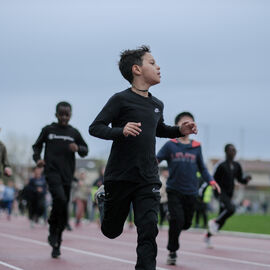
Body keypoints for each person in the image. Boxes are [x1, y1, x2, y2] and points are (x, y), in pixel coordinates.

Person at [89, 45, 197, 270]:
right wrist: (121, 130)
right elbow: (95, 128)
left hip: (147, 177)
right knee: (111, 231)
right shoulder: (120, 100)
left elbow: (158, 129)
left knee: (148, 230)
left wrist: (180, 130)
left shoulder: (157, 104)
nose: (158, 66)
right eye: (152, 62)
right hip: (120, 176)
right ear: (137, 69)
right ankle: (104, 200)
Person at [157, 111, 220, 265]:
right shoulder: (170, 145)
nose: (188, 125)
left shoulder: (197, 147)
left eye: (191, 122)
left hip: (191, 191)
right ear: (177, 125)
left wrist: (212, 181)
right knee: (176, 220)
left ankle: (171, 217)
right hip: (174, 190)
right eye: (184, 122)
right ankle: (172, 251)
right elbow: (155, 160)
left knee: (186, 224)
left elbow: (203, 168)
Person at [32, 101, 88, 258]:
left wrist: (78, 148)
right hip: (51, 172)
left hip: (67, 175)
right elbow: (36, 147)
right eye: (61, 114)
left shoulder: (73, 132)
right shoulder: (48, 130)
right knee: (61, 199)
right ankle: (52, 228)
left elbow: (85, 149)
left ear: (70, 115)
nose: (64, 117)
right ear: (56, 114)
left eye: (67, 114)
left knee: (63, 208)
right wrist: (37, 159)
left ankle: (57, 243)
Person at [206, 144, 252, 244]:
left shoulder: (236, 165)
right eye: (231, 150)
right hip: (220, 193)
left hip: (229, 194)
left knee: (222, 218)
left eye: (235, 150)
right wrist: (213, 189)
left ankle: (208, 236)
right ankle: (214, 222)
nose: (233, 152)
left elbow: (240, 179)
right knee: (231, 209)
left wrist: (246, 180)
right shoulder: (221, 164)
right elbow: (212, 178)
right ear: (226, 151)